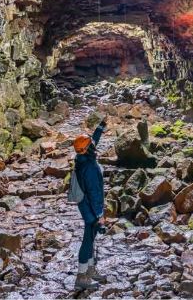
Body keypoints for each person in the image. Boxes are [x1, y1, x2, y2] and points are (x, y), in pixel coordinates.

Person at [72, 117, 108, 290]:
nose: (94, 144)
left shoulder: (81, 158)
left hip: (84, 204)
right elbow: (95, 194)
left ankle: (91, 270)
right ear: (88, 149)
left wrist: (100, 127)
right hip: (90, 208)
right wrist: (100, 216)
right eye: (90, 144)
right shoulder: (91, 168)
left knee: (91, 237)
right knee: (88, 239)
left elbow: (93, 141)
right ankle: (82, 277)